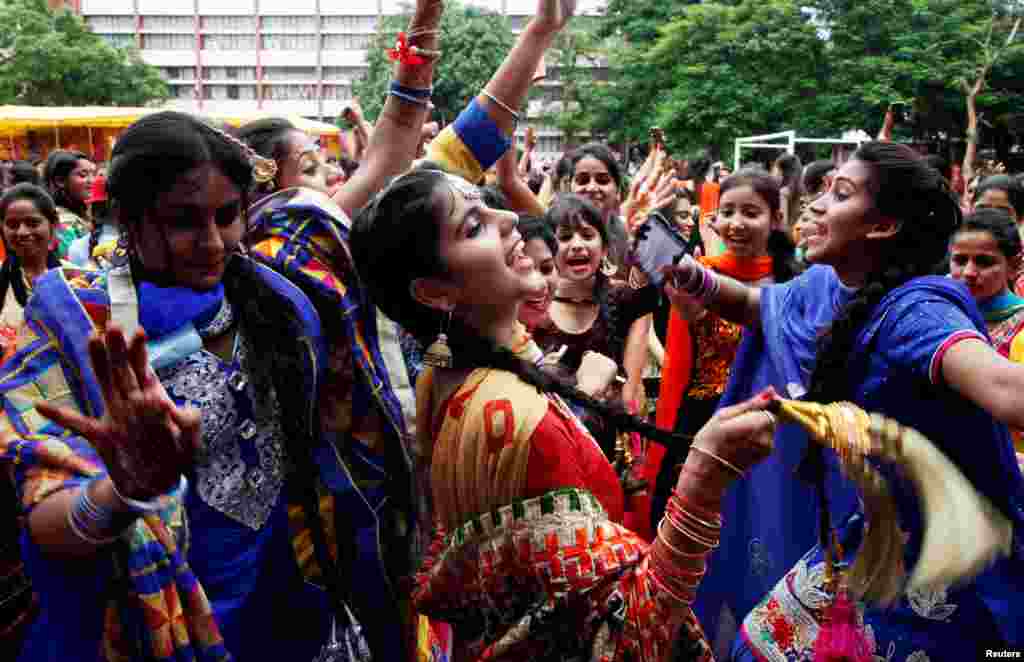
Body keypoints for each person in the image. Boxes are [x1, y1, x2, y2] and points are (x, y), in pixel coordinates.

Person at [0, 111, 415, 662]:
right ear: (127, 219)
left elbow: (389, 163)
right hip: (154, 626)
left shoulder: (282, 301)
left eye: (227, 215)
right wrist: (126, 489)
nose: (214, 241)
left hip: (292, 611)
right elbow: (46, 516)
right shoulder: (73, 323)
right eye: (183, 221)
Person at [350, 165, 781, 662]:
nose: (509, 217)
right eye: (473, 226)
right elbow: (624, 638)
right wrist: (701, 482)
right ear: (433, 292)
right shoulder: (514, 419)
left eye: (489, 205)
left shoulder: (444, 371)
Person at [664, 142, 1024, 660]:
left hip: (950, 564)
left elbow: (1009, 392)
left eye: (840, 194)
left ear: (880, 227)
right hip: (877, 539)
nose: (814, 205)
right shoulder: (834, 289)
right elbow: (759, 305)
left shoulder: (916, 312)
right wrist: (691, 275)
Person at [649, 169, 798, 560]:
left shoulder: (796, 282)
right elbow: (691, 353)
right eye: (727, 211)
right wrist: (691, 315)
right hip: (705, 417)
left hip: (773, 420)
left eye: (750, 212)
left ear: (776, 219)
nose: (736, 223)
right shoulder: (701, 274)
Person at [949, 208, 1024, 453]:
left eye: (984, 262)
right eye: (960, 260)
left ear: (1014, 266)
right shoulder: (939, 318)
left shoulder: (1021, 328)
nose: (969, 272)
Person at [0, 184, 62, 361]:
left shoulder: (75, 278)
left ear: (53, 224)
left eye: (32, 223)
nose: (22, 232)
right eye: (12, 225)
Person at [42, 150, 96, 259]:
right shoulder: (62, 222)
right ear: (60, 181)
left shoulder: (84, 213)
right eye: (83, 175)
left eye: (93, 174)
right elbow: (74, 267)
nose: (92, 180)